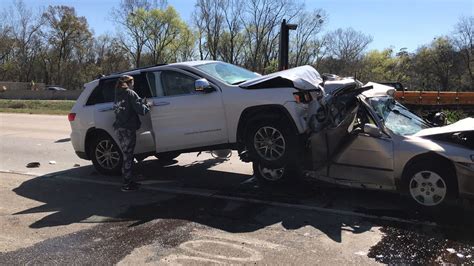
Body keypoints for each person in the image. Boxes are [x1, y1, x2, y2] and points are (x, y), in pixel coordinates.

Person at [113, 75, 151, 192]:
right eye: (132, 83)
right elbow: (140, 110)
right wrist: (148, 106)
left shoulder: (117, 94)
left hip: (119, 128)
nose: (133, 86)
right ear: (128, 83)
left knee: (126, 156)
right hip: (128, 128)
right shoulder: (130, 93)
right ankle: (127, 184)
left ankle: (127, 180)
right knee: (128, 156)